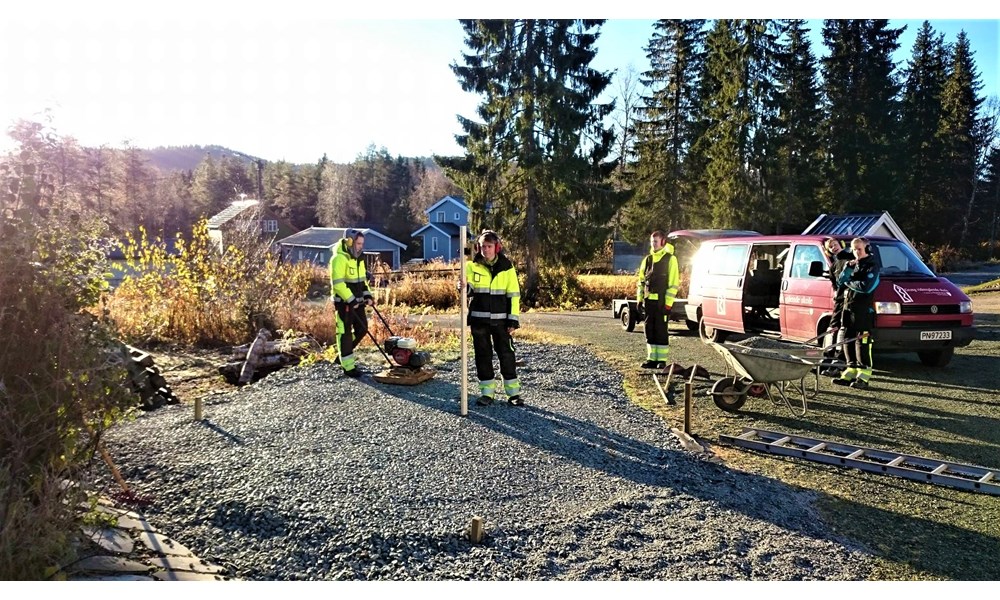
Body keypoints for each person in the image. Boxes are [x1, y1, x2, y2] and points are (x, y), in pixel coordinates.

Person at [464, 230, 523, 406]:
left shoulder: (507, 267)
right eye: (482, 246)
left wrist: (513, 320)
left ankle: (513, 394)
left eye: (489, 246)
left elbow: (514, 294)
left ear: (496, 247)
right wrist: (462, 286)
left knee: (506, 355)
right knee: (483, 356)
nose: (485, 250)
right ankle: (487, 394)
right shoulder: (471, 266)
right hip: (479, 321)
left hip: (502, 322)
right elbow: (468, 292)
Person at [831, 237, 880, 390]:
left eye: (859, 249)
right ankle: (850, 370)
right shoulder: (852, 264)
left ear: (867, 249)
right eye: (853, 249)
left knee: (862, 342)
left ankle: (863, 374)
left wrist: (848, 281)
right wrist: (848, 272)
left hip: (863, 310)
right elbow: (840, 281)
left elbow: (865, 287)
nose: (856, 252)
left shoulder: (872, 265)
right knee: (847, 338)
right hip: (848, 307)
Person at [330, 228, 374, 378]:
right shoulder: (339, 259)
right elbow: (338, 283)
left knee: (362, 329)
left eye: (362, 243)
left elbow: (362, 281)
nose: (360, 246)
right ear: (349, 241)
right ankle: (348, 367)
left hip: (358, 303)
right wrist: (351, 299)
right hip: (344, 304)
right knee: (345, 333)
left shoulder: (358, 259)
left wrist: (368, 296)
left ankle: (342, 355)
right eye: (358, 243)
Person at [636, 230, 680, 369]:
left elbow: (673, 284)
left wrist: (668, 304)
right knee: (649, 330)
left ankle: (661, 360)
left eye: (655, 241)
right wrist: (639, 299)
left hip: (662, 303)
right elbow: (641, 282)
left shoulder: (670, 259)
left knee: (661, 330)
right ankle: (651, 359)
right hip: (649, 302)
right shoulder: (647, 260)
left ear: (663, 242)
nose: (653, 244)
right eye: (651, 242)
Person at [819, 238, 855, 376]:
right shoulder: (833, 265)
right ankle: (827, 357)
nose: (834, 247)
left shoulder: (851, 259)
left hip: (850, 300)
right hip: (839, 301)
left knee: (843, 328)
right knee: (832, 328)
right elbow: (834, 284)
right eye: (831, 246)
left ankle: (839, 359)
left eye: (835, 244)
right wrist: (835, 293)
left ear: (842, 245)